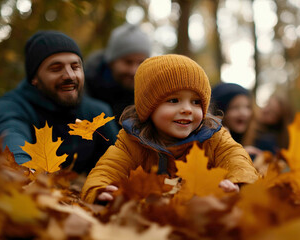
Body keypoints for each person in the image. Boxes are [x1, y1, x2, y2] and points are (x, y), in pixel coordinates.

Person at [81, 54, 259, 203]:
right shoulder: (131, 142)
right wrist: (99, 192)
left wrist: (239, 185)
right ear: (148, 108)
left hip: (201, 213)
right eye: (173, 100)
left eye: (196, 102)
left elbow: (238, 160)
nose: (187, 109)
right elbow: (106, 169)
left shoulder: (215, 137)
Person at [0, 30, 119, 173]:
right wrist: (24, 173)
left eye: (75, 67)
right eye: (56, 69)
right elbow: (11, 140)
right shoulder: (10, 107)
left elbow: (120, 163)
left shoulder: (97, 113)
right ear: (34, 79)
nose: (70, 75)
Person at [84, 23, 151, 123]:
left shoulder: (150, 95)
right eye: (128, 62)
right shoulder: (86, 87)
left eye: (141, 62)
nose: (134, 71)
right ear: (111, 62)